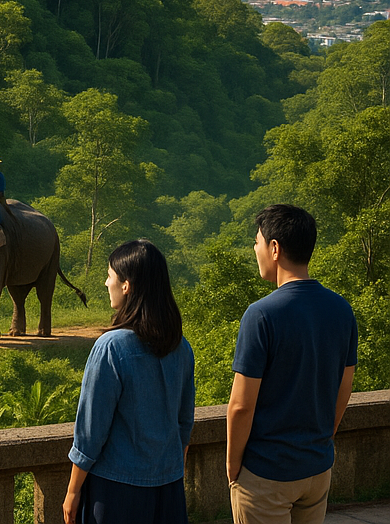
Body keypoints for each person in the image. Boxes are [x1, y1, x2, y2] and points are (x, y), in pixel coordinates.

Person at [226, 204, 357, 524]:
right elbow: (344, 387)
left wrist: (232, 466)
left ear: (274, 248)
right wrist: (322, 439)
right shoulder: (341, 310)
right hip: (317, 469)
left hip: (267, 473)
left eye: (256, 241)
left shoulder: (261, 315)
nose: (254, 249)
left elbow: (241, 406)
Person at [64, 239, 195, 524]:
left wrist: (73, 491)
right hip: (168, 487)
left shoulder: (111, 347)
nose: (105, 282)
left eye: (110, 276)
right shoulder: (180, 346)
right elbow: (184, 422)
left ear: (127, 285)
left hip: (116, 489)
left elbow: (90, 432)